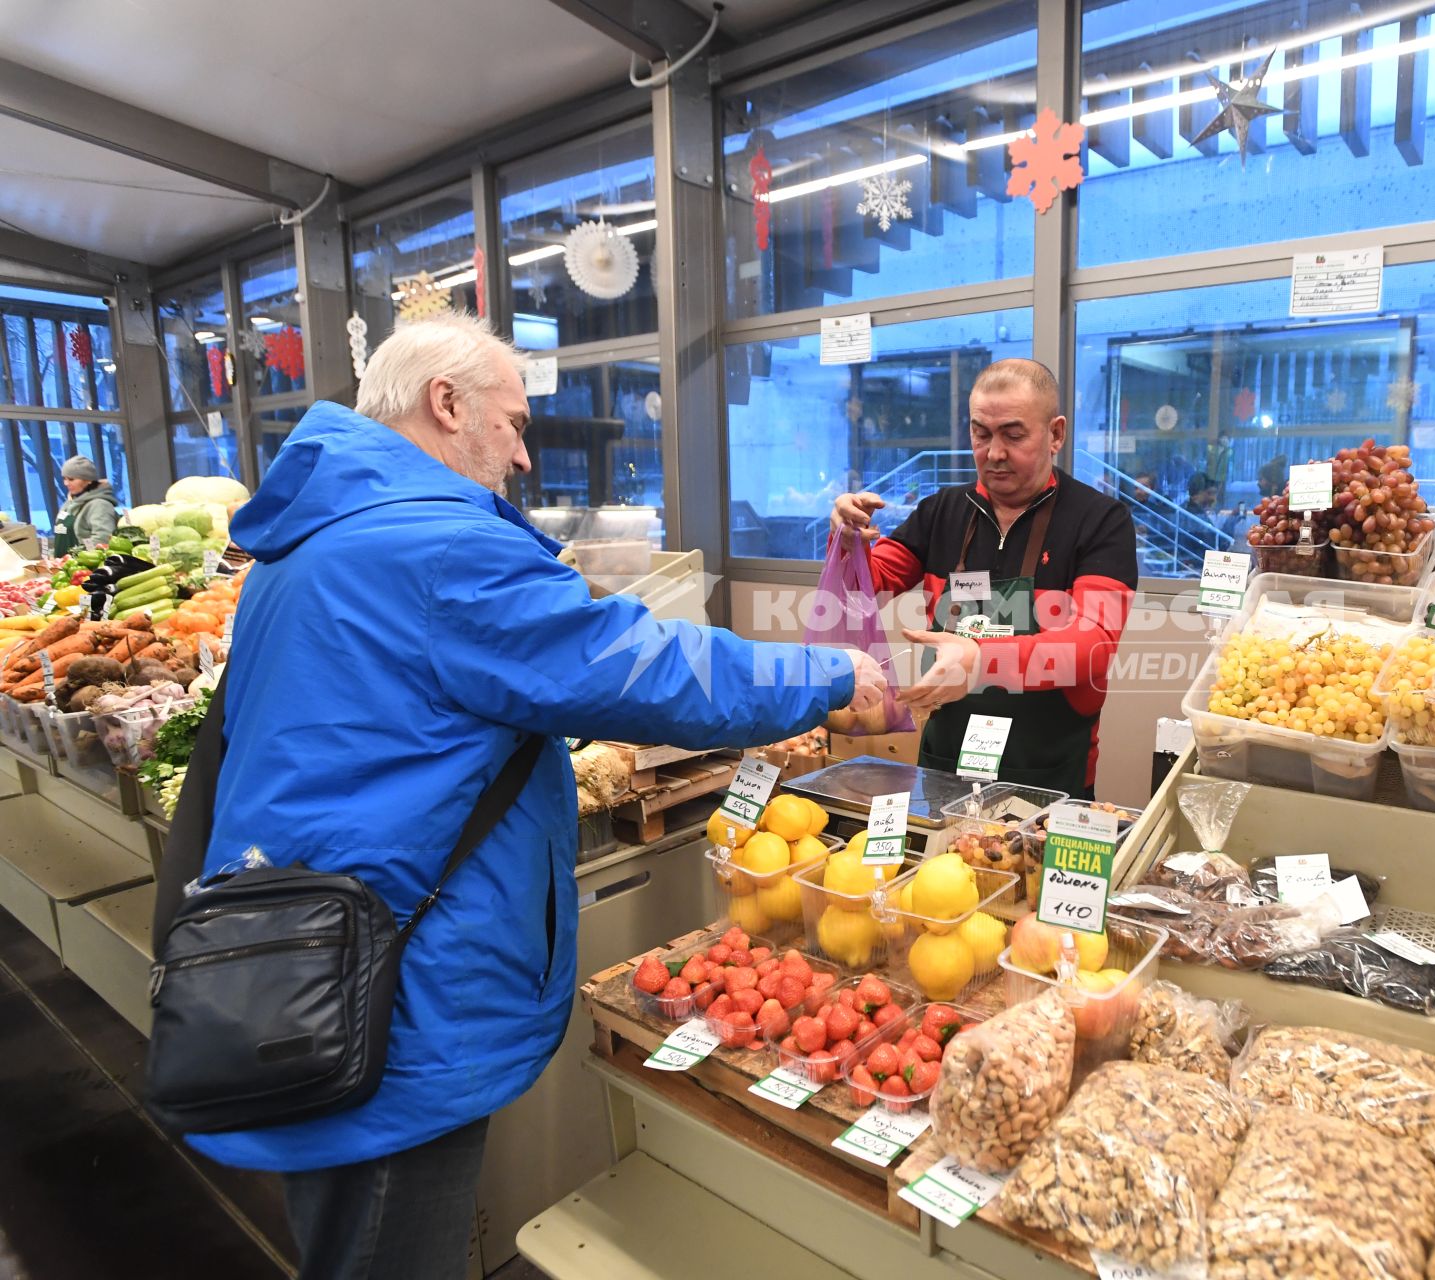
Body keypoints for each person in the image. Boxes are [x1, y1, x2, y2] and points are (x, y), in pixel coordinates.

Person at [182, 314, 884, 1280]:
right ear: (444, 403)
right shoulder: (430, 547)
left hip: (308, 955)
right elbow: (638, 669)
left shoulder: (312, 535)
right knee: (390, 1248)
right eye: (512, 423)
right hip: (387, 984)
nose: (519, 453)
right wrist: (834, 676)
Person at [832, 358, 1139, 798]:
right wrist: (846, 545)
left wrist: (980, 661)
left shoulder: (1100, 521)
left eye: (1013, 435)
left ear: (1056, 434)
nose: (994, 453)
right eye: (981, 434)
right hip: (946, 760)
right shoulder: (940, 513)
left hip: (1051, 767)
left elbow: (1094, 645)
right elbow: (862, 590)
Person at [50, 454, 119, 555]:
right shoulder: (69, 503)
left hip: (83, 567)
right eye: (64, 479)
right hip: (61, 565)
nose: (66, 483)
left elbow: (103, 539)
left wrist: (80, 554)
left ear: (88, 480)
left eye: (71, 479)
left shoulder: (99, 505)